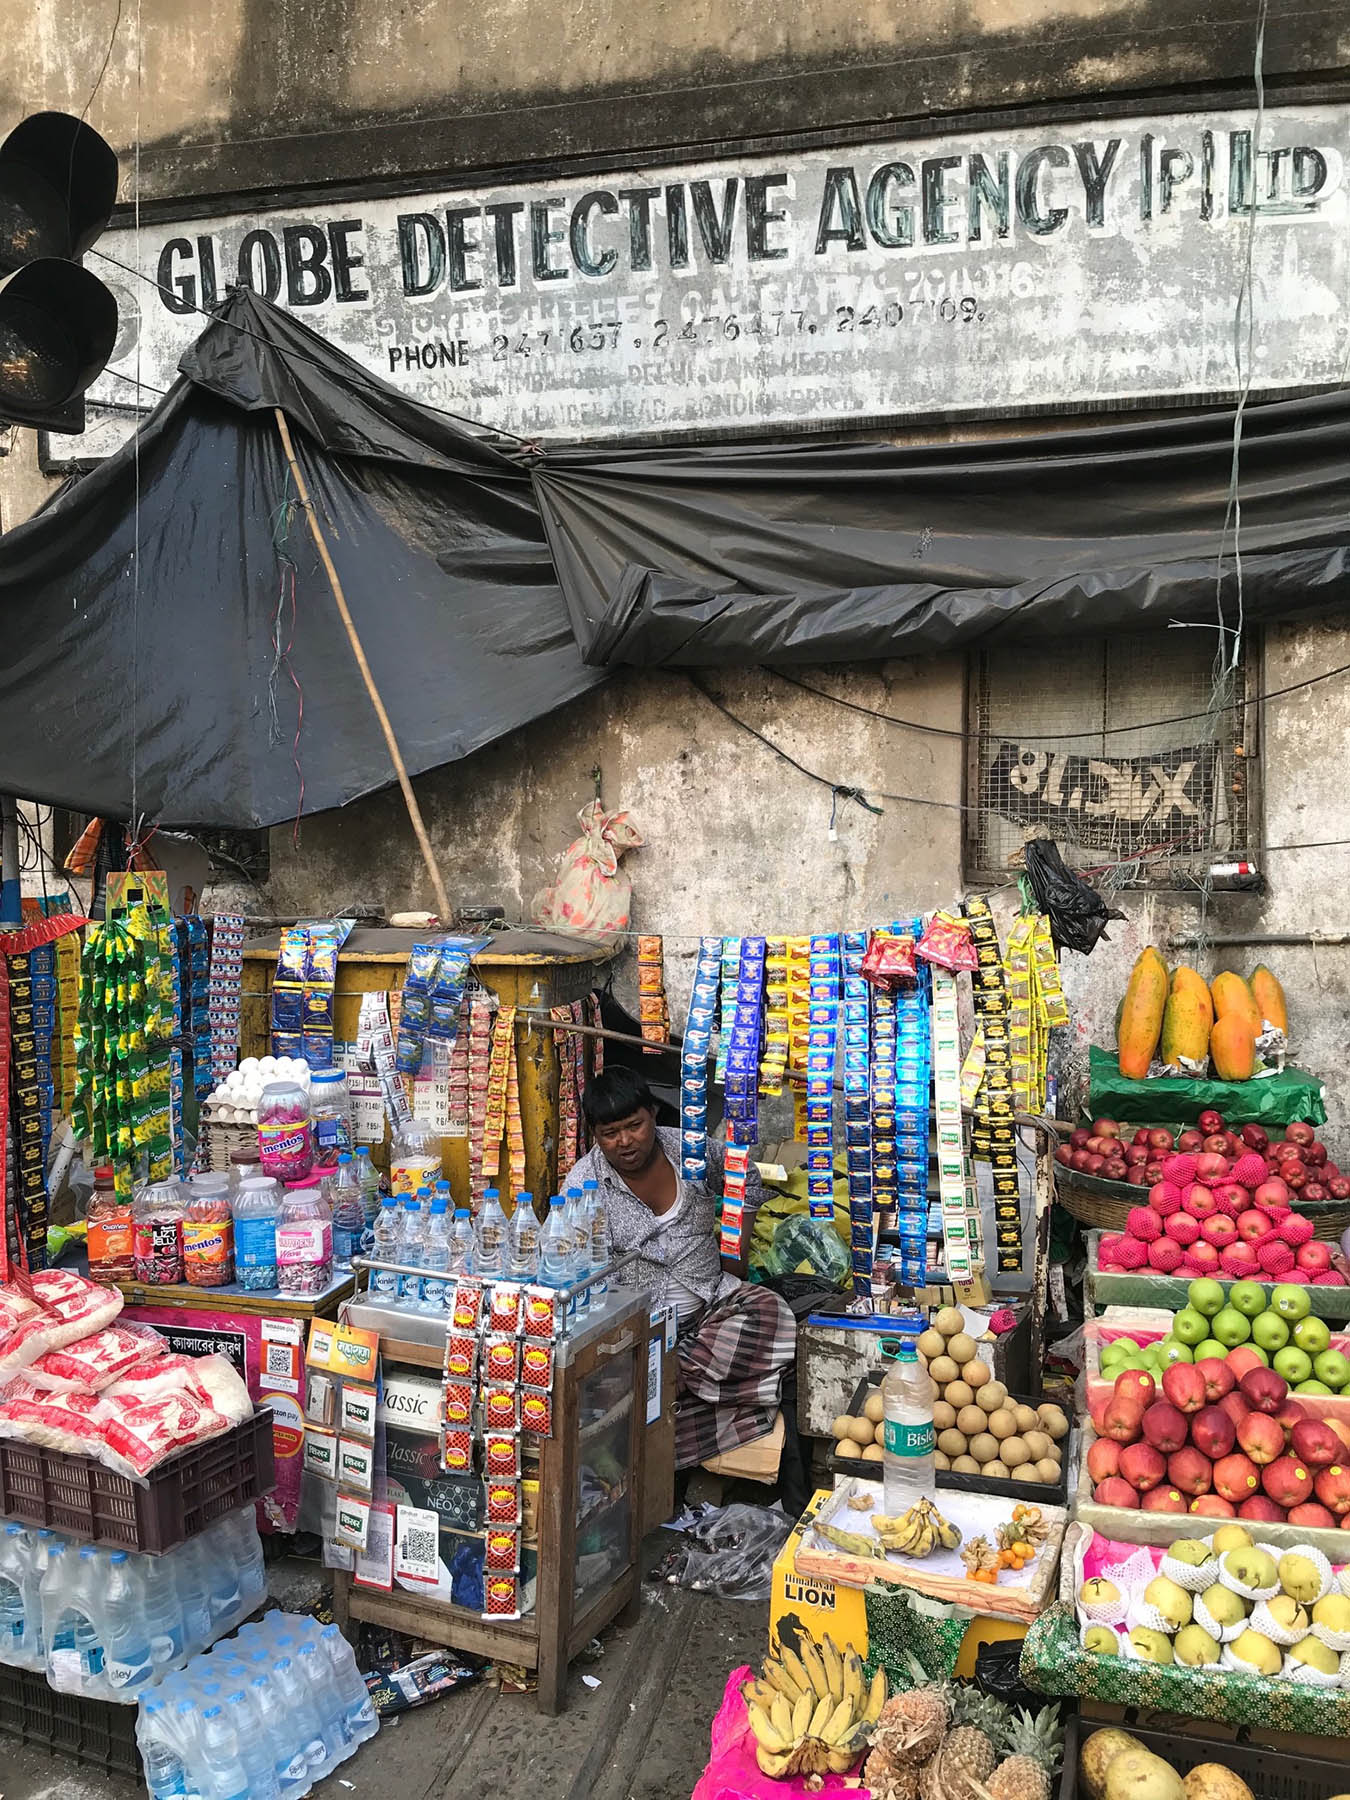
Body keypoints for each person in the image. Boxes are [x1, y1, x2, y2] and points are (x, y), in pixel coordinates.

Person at [570, 1066, 797, 1470]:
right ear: (595, 1135)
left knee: (772, 1313)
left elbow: (741, 1173)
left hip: (712, 1304)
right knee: (618, 1382)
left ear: (653, 1115)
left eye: (634, 1125)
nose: (624, 1141)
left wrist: (736, 1245)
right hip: (640, 1330)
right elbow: (584, 1276)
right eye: (610, 1133)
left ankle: (667, 1382)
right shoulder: (584, 1184)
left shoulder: (687, 1149)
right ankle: (673, 1388)